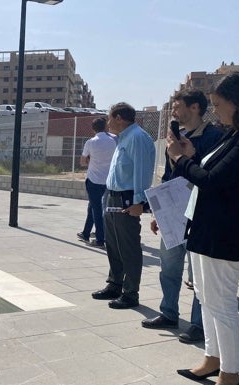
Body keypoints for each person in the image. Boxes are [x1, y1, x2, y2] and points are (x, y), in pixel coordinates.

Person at [167, 72, 239, 385]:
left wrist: (180, 160)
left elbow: (213, 181)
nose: (215, 110)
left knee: (222, 305)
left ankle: (230, 375)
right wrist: (192, 157)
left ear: (238, 102)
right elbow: (212, 171)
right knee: (207, 300)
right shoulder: (236, 132)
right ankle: (212, 358)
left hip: (226, 233)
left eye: (219, 104)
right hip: (208, 229)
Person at [142, 89, 224, 344]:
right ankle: (168, 312)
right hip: (173, 210)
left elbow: (212, 175)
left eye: (178, 106)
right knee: (169, 266)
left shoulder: (215, 137)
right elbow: (169, 176)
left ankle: (199, 325)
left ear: (196, 107)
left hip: (200, 211)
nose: (174, 111)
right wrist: (159, 211)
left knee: (198, 274)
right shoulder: (174, 138)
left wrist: (190, 156)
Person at [91, 102, 155, 309]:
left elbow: (142, 172)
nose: (108, 123)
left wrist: (140, 202)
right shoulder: (123, 138)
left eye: (109, 118)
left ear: (119, 118)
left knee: (128, 247)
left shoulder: (138, 137)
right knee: (113, 244)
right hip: (112, 196)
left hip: (126, 198)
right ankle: (115, 284)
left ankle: (130, 293)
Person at [77, 117, 117, 249]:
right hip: (108, 180)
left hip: (93, 179)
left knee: (97, 209)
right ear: (105, 126)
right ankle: (86, 232)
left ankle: (100, 239)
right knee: (93, 207)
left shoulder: (91, 142)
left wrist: (91, 160)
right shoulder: (113, 141)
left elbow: (83, 162)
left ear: (93, 129)